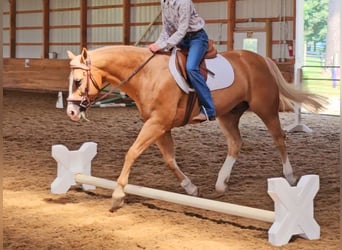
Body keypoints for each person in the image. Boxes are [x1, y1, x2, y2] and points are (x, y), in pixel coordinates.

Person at [148, 0, 216, 122]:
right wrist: (157, 44)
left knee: (191, 68)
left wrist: (164, 45)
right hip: (181, 39)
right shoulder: (164, 2)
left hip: (196, 38)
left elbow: (182, 29)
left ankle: (208, 109)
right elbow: (167, 29)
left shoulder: (184, 2)